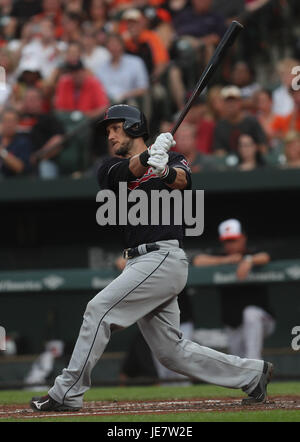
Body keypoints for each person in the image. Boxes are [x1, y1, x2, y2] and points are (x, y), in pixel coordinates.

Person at [30, 104, 273, 412]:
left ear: (133, 127)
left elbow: (183, 181)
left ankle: (66, 392)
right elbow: (121, 173)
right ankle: (252, 374)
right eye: (108, 131)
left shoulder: (171, 158)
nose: (110, 136)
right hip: (139, 262)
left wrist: (164, 169)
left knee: (98, 311)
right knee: (172, 352)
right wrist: (147, 157)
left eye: (115, 129)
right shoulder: (107, 166)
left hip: (162, 256)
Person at [193, 218, 276, 360]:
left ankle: (255, 364)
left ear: (243, 238)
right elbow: (197, 260)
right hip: (233, 323)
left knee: (251, 313)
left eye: (234, 240)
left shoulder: (252, 252)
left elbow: (265, 256)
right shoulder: (220, 256)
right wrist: (225, 261)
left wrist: (249, 260)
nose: (230, 244)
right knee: (237, 363)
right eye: (227, 241)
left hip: (263, 320)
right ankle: (249, 374)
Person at [212, 85, 268, 155]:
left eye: (234, 101)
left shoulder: (252, 122)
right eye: (228, 102)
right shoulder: (220, 126)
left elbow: (263, 147)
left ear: (240, 102)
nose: (231, 105)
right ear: (223, 104)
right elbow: (219, 151)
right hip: (229, 163)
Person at [96, 33, 149, 106]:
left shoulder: (136, 62)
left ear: (122, 45)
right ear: (107, 47)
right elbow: (98, 90)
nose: (114, 48)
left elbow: (143, 88)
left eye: (116, 44)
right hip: (107, 104)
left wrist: (124, 96)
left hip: (130, 102)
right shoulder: (101, 67)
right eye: (111, 45)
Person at [0, 108, 32, 178]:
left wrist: (2, 152)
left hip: (15, 182)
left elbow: (20, 167)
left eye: (12, 121)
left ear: (17, 123)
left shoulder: (22, 142)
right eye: (6, 121)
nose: (9, 125)